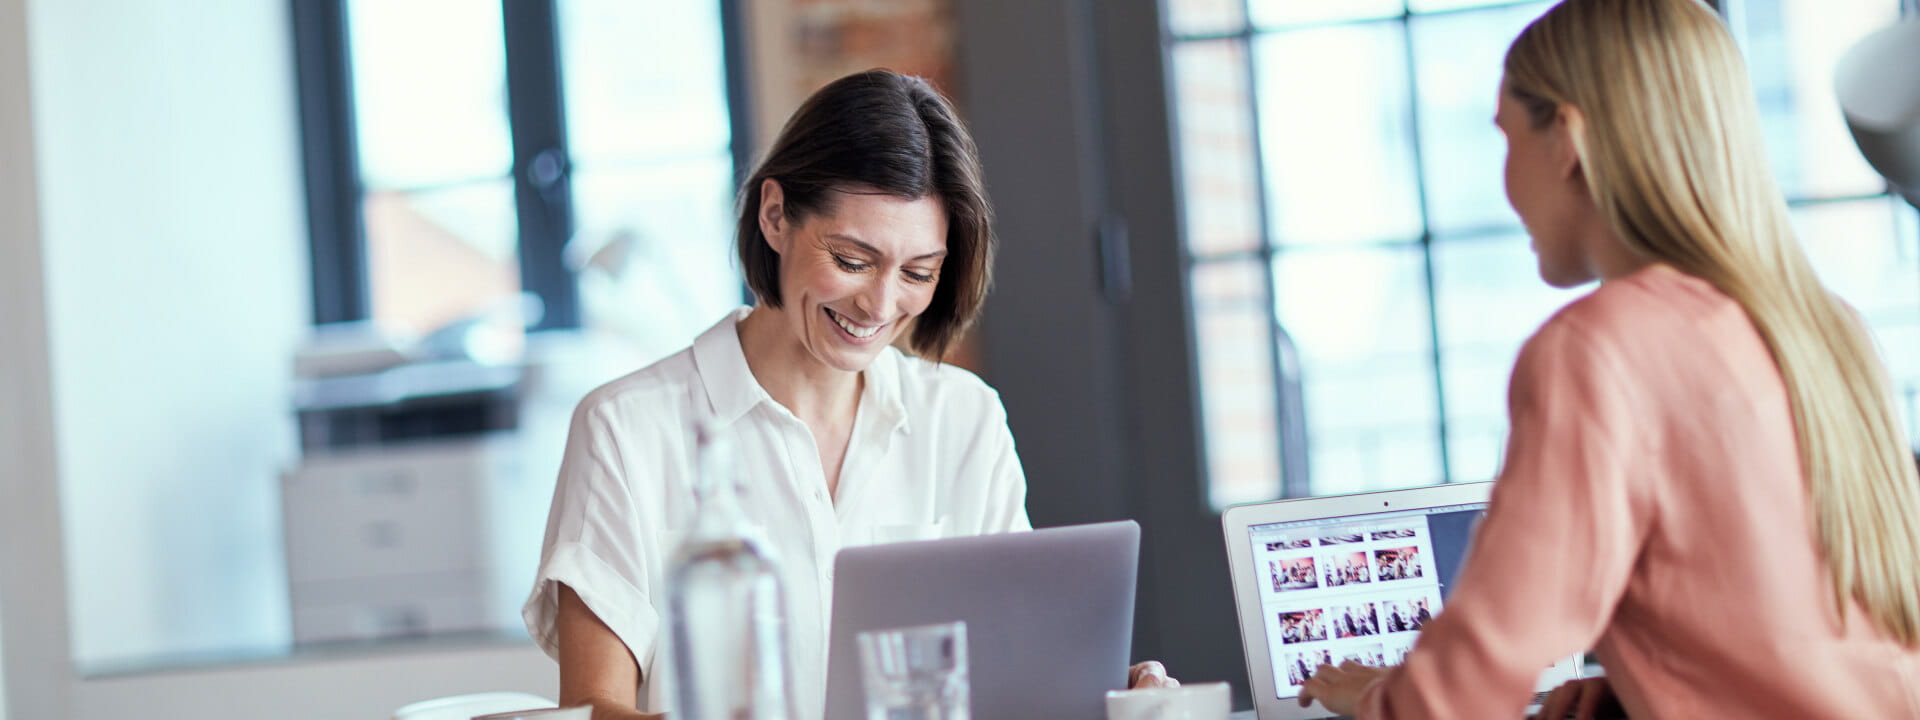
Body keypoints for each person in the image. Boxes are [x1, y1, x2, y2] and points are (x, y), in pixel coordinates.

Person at [1297, 1, 1920, 718]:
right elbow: (1827, 629)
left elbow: (1462, 691)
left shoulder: (1596, 350)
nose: (1505, 186)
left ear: (1565, 137)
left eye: (1507, 139)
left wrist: (1381, 699)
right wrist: (1644, 686)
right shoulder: (1830, 330)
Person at [522, 70, 1172, 720]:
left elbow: (1021, 670)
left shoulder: (962, 418)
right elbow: (591, 706)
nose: (881, 305)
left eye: (918, 272)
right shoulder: (628, 427)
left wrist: (1111, 691)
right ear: (775, 216)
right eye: (854, 260)